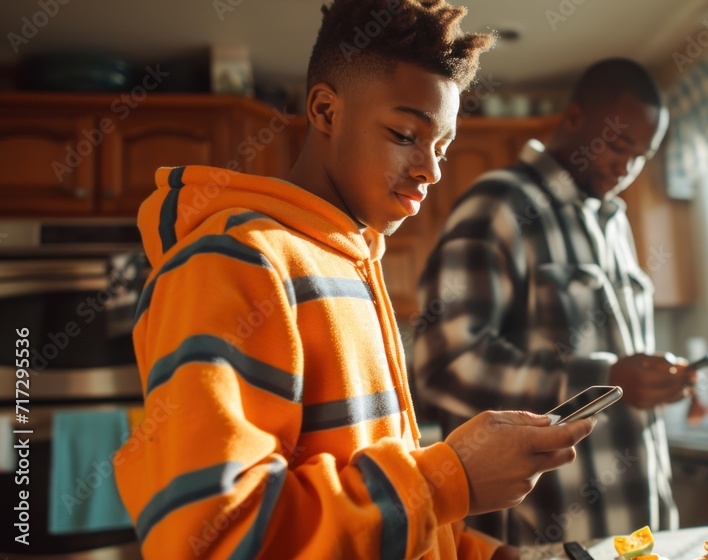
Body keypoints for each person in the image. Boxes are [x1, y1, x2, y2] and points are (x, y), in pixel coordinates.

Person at [112, 1, 596, 558]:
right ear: (324, 110)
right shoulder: (234, 261)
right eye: (404, 134)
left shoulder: (352, 264)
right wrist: (448, 478)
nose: (431, 169)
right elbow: (218, 537)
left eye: (442, 147)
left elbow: (384, 514)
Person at [412, 58, 693, 545]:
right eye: (618, 146)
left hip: (638, 531)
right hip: (542, 538)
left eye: (640, 156)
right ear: (575, 119)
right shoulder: (497, 206)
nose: (625, 168)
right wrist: (604, 379)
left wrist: (653, 381)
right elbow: (444, 363)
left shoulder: (615, 222)